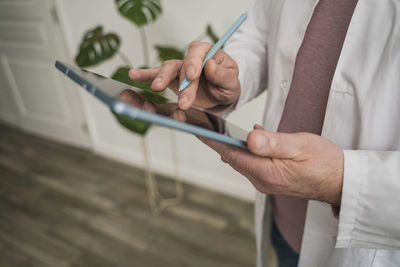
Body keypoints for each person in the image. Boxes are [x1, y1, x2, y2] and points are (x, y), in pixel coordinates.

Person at [121, 0, 400, 266]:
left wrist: (341, 182)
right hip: (284, 216)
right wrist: (226, 79)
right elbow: (259, 37)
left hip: (366, 245)